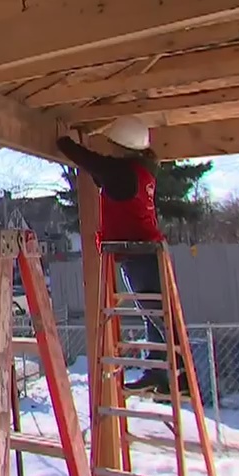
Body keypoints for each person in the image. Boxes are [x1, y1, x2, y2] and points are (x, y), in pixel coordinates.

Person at [56, 117, 187, 396]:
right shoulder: (138, 172)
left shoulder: (125, 173)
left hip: (140, 251)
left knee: (156, 314)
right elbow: (100, 173)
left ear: (122, 147)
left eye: (113, 144)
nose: (110, 149)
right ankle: (160, 372)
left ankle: (180, 375)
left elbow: (92, 163)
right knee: (152, 313)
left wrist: (64, 142)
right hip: (143, 251)